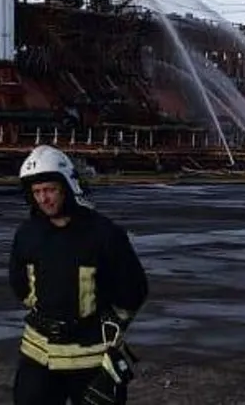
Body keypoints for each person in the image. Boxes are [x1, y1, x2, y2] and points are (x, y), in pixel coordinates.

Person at [8, 145, 149, 405]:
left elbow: (133, 289)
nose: (43, 199)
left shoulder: (104, 234)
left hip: (92, 358)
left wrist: (108, 324)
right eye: (36, 192)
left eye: (50, 190)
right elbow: (19, 284)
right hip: (39, 355)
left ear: (67, 187)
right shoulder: (27, 234)